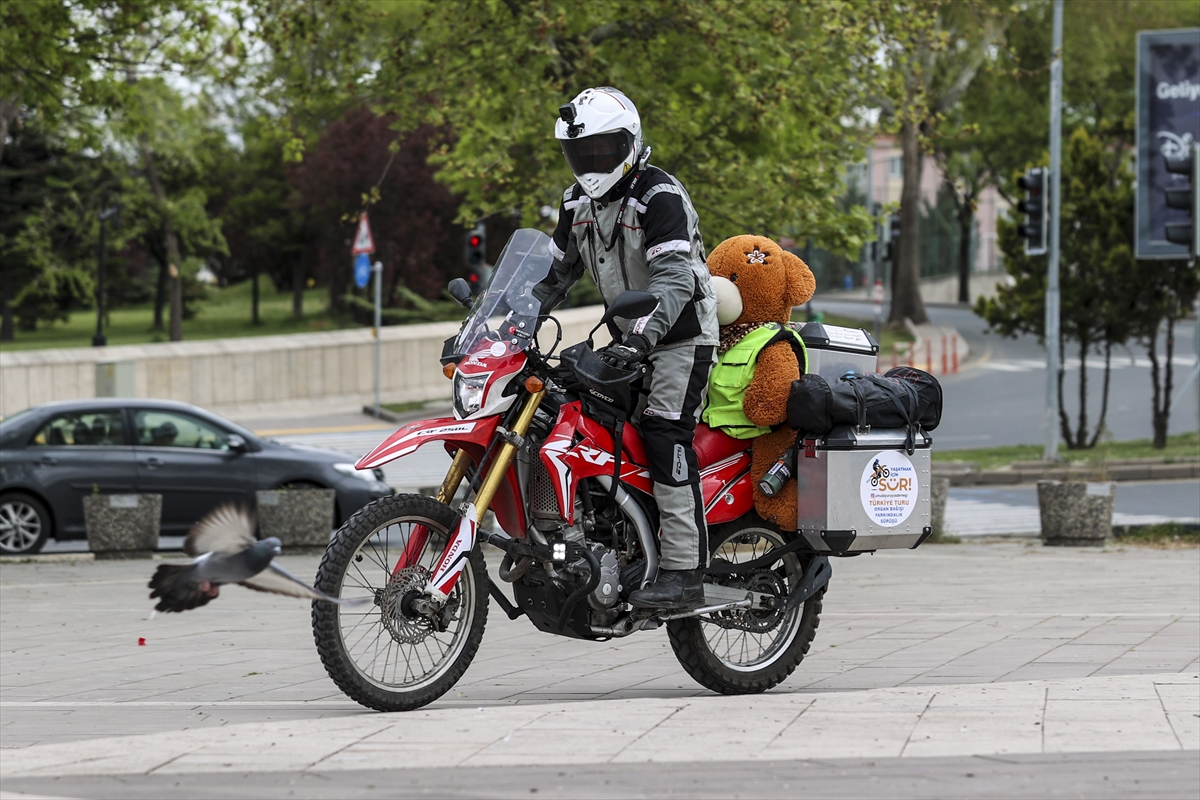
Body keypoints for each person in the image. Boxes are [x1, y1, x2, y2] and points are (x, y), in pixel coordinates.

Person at [532, 87, 718, 610]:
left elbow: (675, 278)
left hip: (681, 337)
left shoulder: (659, 196)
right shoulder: (577, 203)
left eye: (602, 150)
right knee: (569, 408)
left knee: (663, 430)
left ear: (630, 144)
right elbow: (555, 275)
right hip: (632, 339)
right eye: (580, 153)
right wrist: (517, 319)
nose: (591, 165)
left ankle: (684, 569)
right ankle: (615, 537)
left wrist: (640, 338)